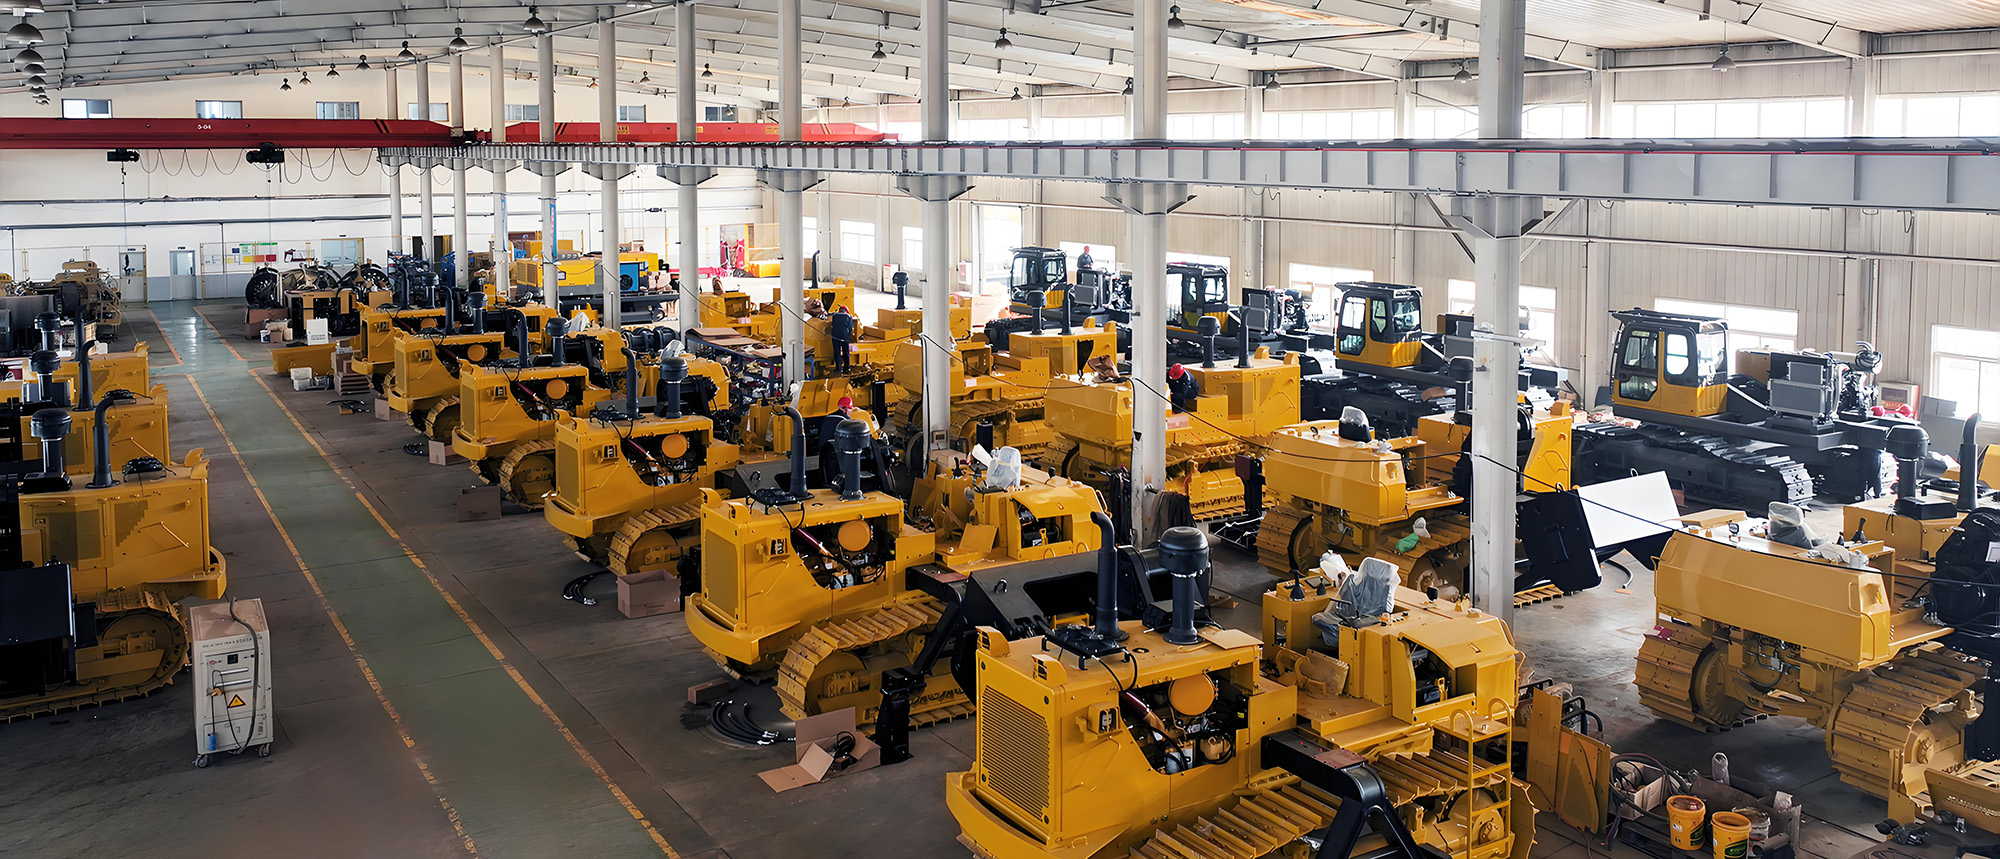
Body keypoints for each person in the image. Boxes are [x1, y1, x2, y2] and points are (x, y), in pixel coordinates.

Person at [827, 305, 855, 374]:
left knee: (837, 352)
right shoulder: (848, 316)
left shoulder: (835, 316)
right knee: (846, 352)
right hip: (844, 336)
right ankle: (846, 368)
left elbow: (833, 325)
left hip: (835, 336)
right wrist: (847, 336)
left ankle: (838, 368)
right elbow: (850, 328)